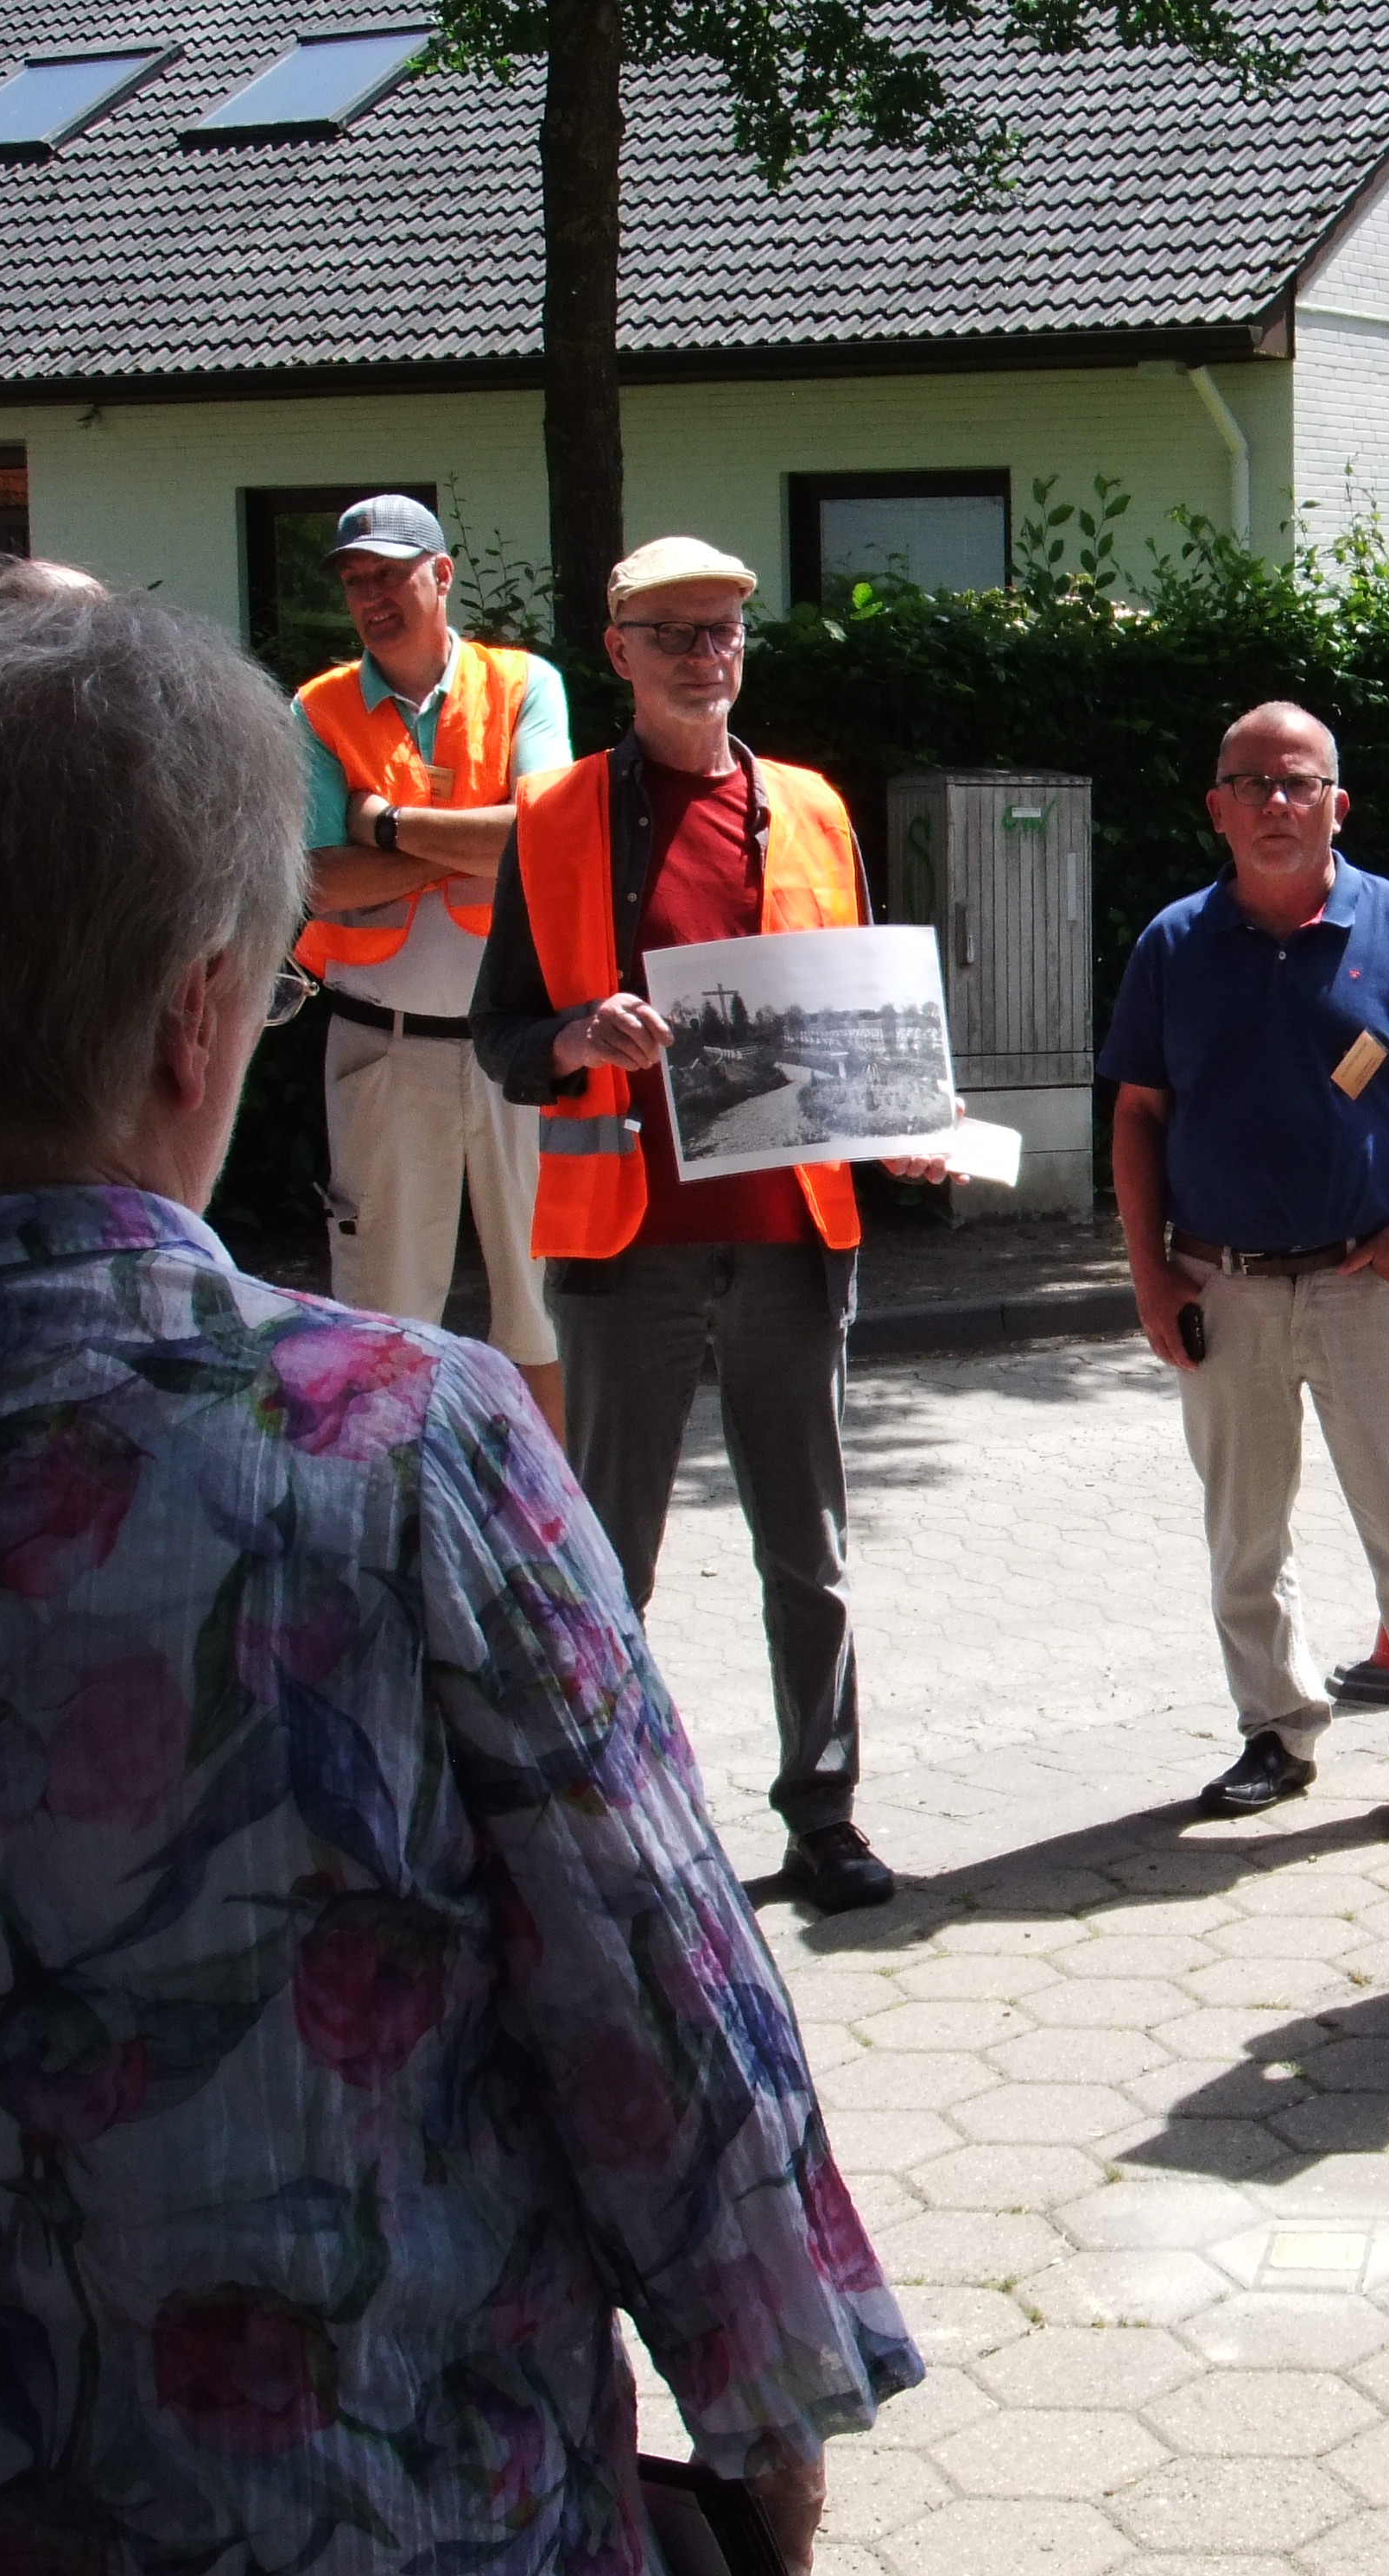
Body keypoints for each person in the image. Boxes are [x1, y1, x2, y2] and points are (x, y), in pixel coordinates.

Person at [0, 580, 916, 2576]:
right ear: (197, 1013)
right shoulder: (397, 1432)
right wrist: (764, 2418)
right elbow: (659, 1988)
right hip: (385, 2518)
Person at [473, 536, 941, 1917]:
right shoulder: (552, 820)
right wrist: (576, 1032)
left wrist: (900, 1120)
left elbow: (856, 1014)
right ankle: (611, 1825)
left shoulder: (810, 807)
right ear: (616, 651)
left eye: (724, 630)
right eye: (672, 632)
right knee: (613, 1557)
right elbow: (502, 1039)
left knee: (810, 1549)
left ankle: (826, 1817)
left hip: (796, 1235)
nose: (703, 653)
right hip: (625, 1244)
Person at [1100, 701, 1389, 1834]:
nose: (1278, 803)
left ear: (1340, 804)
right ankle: (1276, 1730)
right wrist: (1148, 1270)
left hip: (1368, 1282)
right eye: (1254, 784)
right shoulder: (1173, 944)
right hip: (1218, 1281)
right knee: (1245, 1534)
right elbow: (1137, 1114)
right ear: (1216, 807)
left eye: (1300, 783)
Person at [295, 495, 576, 1440]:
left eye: (389, 573)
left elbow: (549, 841)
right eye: (354, 580)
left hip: (521, 1052)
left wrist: (384, 825)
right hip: (383, 1046)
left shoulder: (525, 684)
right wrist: (475, 840)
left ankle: (548, 1520)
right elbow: (324, 882)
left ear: (442, 575)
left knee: (541, 1305)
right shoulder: (318, 709)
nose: (370, 595)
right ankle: (385, 1526)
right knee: (383, 1314)